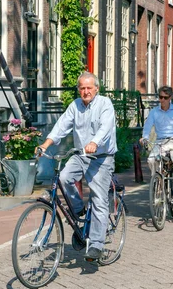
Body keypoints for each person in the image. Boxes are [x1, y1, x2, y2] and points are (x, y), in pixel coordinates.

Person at [36, 71, 117, 262]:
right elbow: (61, 126)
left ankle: (96, 244)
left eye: (89, 88)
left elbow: (105, 128)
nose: (86, 91)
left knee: (98, 198)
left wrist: (95, 142)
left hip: (101, 157)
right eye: (82, 88)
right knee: (64, 178)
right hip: (81, 155)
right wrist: (45, 145)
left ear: (96, 89)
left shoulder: (105, 104)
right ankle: (79, 208)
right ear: (79, 89)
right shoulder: (75, 106)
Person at [140, 86, 173, 206]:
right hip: (160, 142)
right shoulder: (154, 112)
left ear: (170, 98)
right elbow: (147, 126)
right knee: (151, 160)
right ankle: (157, 183)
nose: (162, 100)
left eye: (165, 98)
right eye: (160, 97)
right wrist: (144, 137)